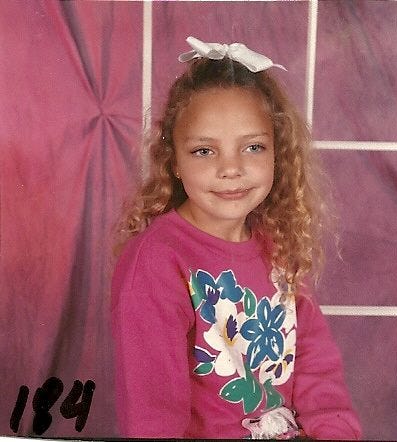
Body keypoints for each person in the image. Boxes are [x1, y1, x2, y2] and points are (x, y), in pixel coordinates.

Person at [111, 36, 362, 440]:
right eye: (204, 151)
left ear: (278, 154)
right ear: (174, 161)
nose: (231, 168)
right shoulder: (157, 262)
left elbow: (316, 368)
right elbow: (152, 415)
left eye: (253, 147)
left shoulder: (278, 244)